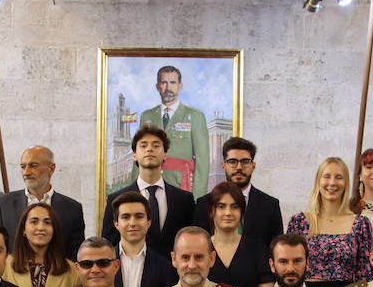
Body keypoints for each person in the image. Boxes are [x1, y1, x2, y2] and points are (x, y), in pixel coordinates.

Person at [286, 157, 373, 287]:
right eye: (327, 176)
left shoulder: (360, 224)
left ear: (346, 184)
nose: (332, 183)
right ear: (318, 181)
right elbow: (288, 267)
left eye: (339, 177)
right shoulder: (299, 221)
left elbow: (366, 273)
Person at [102, 126, 195, 258]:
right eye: (143, 145)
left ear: (165, 154)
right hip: (131, 273)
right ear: (134, 155)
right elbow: (108, 246)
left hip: (174, 274)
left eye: (156, 145)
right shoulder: (116, 199)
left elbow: (191, 242)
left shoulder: (184, 199)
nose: (149, 149)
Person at [0, 146, 86, 260]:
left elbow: (75, 254)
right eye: (23, 167)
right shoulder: (3, 205)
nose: (26, 172)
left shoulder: (72, 209)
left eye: (33, 166)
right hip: (12, 276)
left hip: (58, 276)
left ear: (51, 168)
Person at [190, 137, 284, 244]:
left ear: (253, 166)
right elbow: (197, 246)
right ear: (224, 166)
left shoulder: (270, 205)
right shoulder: (204, 203)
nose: (239, 167)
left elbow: (276, 250)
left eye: (245, 161)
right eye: (232, 161)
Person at [137, 65, 209, 193]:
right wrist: (135, 193)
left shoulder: (195, 116)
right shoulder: (147, 116)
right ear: (157, 86)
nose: (168, 88)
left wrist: (198, 200)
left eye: (173, 83)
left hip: (181, 186)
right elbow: (139, 155)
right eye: (164, 82)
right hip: (150, 185)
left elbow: (203, 161)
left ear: (180, 86)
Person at [206, 182, 274, 287]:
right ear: (212, 211)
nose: (228, 213)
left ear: (242, 212)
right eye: (221, 206)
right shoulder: (200, 249)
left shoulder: (258, 250)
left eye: (234, 207)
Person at [110, 191, 177, 287]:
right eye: (126, 217)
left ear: (149, 222)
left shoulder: (166, 267)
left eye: (139, 216)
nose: (132, 223)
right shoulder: (103, 263)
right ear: (116, 224)